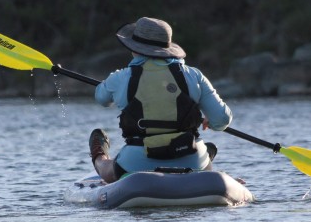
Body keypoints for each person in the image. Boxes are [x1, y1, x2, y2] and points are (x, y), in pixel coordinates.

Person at [89, 17, 233, 183]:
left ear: (135, 48)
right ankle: (204, 153)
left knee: (105, 167)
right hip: (191, 157)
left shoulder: (121, 77)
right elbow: (223, 119)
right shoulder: (194, 75)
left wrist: (111, 83)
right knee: (201, 149)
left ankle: (99, 155)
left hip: (136, 164)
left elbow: (101, 98)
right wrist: (212, 122)